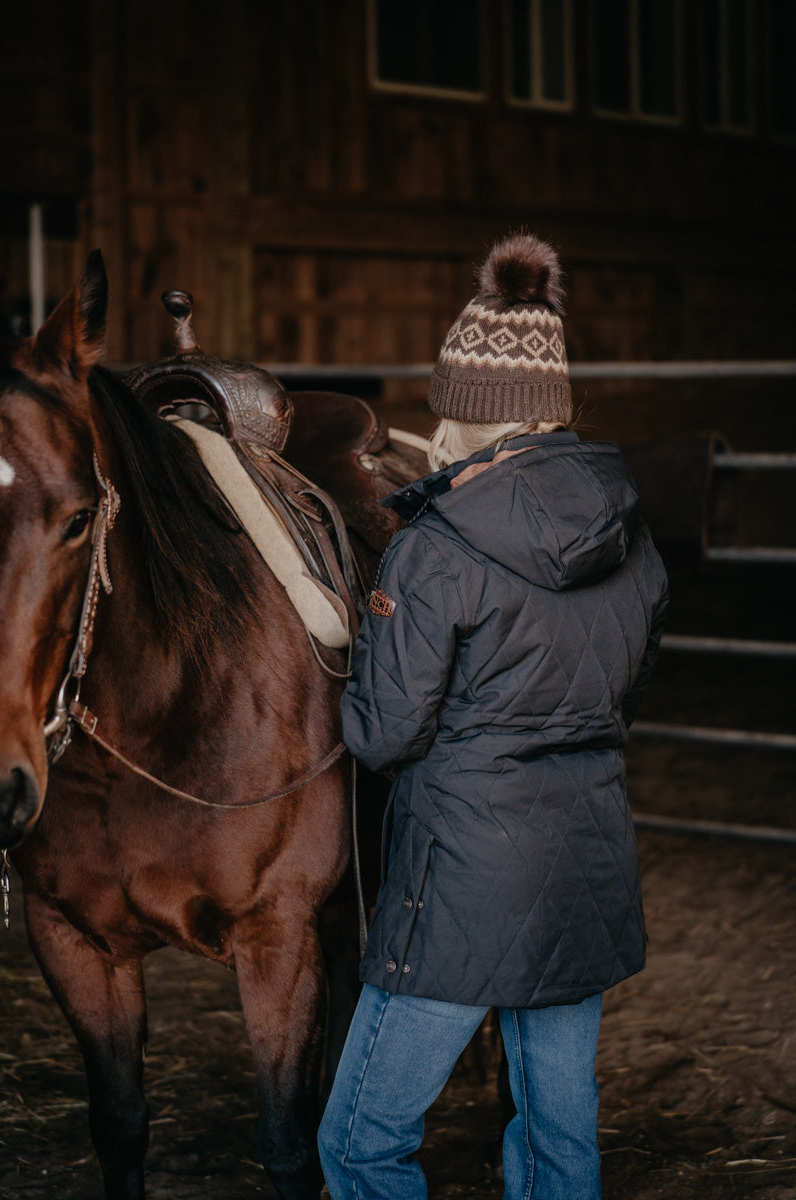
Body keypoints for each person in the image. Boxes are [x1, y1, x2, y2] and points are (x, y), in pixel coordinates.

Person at [318, 232, 669, 1200]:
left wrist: (361, 646)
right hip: (582, 870)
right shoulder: (631, 537)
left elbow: (382, 734)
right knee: (559, 1146)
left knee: (358, 1145)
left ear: (465, 416)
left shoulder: (433, 550)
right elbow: (619, 700)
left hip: (461, 889)